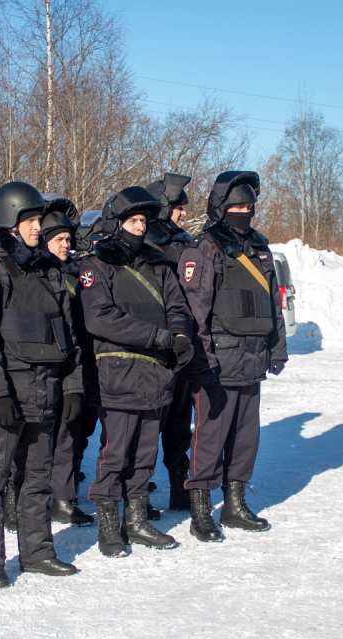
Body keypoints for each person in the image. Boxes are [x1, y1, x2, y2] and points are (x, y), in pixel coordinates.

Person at [0, 181, 84, 588]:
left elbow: (67, 336)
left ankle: (37, 553)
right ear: (9, 222)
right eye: (30, 220)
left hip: (45, 391)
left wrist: (72, 386)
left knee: (37, 479)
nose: (38, 227)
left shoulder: (49, 269)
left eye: (39, 219)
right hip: (6, 397)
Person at [79, 186, 194, 557]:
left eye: (144, 220)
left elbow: (178, 306)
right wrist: (159, 337)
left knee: (145, 453)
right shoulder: (96, 266)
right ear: (116, 224)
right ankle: (109, 526)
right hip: (119, 373)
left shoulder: (159, 264)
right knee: (116, 454)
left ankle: (137, 519)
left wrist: (178, 334)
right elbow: (100, 318)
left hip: (158, 373)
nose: (140, 227)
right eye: (133, 220)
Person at [178, 171, 287, 542]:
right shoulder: (205, 247)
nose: (245, 211)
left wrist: (277, 347)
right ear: (221, 208)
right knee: (210, 438)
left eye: (249, 206)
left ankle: (236, 504)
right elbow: (195, 311)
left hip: (253, 358)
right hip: (217, 363)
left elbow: (273, 304)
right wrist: (201, 360)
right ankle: (201, 511)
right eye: (237, 206)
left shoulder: (260, 248)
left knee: (246, 437)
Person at [38, 195, 97, 527]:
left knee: (69, 436)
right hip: (41, 367)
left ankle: (63, 499)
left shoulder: (76, 274)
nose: (67, 245)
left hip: (75, 366)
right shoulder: (32, 275)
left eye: (69, 239)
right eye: (59, 239)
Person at [146, 172, 196, 511]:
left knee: (180, 424)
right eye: (177, 207)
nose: (183, 213)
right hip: (154, 347)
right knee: (148, 424)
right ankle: (136, 494)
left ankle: (180, 486)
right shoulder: (146, 242)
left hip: (184, 344)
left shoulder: (187, 242)